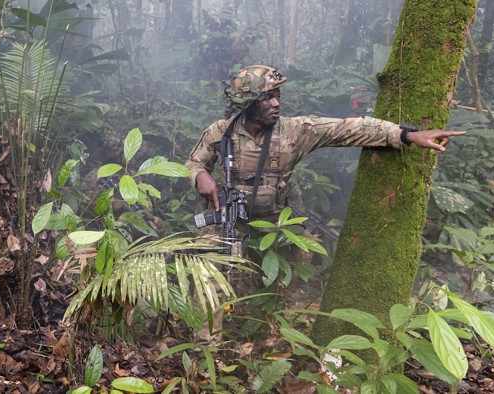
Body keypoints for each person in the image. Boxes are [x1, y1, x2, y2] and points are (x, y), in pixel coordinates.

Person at [184, 65, 464, 339]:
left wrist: (407, 135)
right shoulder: (221, 131)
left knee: (279, 280)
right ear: (248, 103)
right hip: (230, 216)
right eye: (267, 97)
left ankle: (266, 334)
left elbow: (347, 129)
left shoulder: (294, 131)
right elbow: (194, 162)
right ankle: (207, 343)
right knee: (209, 272)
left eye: (278, 96)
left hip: (275, 220)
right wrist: (201, 176)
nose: (276, 103)